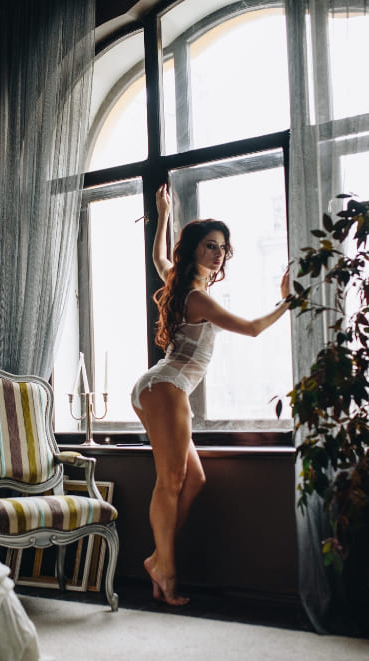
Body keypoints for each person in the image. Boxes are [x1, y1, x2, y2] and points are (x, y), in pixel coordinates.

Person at [131, 183, 290, 606]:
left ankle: (158, 558)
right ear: (196, 251)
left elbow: (160, 258)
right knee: (170, 482)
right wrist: (287, 302)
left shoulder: (179, 281)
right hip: (167, 386)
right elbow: (253, 329)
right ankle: (166, 568)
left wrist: (164, 214)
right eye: (209, 246)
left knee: (193, 480)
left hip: (161, 385)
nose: (218, 254)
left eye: (222, 247)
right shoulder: (197, 298)